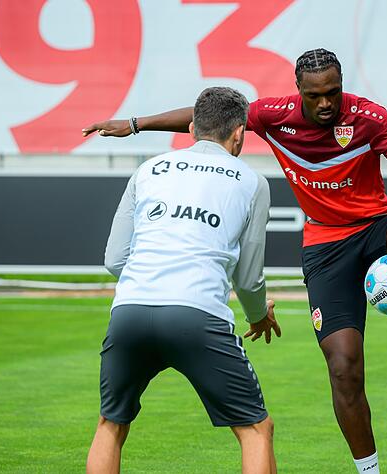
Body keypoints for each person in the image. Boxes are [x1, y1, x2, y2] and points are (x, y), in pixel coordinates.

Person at [82, 48, 387, 474]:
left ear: (342, 84)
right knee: (343, 367)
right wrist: (134, 125)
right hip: (325, 246)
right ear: (299, 92)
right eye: (315, 96)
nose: (326, 103)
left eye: (333, 92)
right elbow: (209, 117)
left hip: (374, 226)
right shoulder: (272, 115)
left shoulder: (370, 117)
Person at [86, 86, 280, 474]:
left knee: (111, 424)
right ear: (240, 133)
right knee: (256, 429)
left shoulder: (148, 169)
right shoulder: (252, 182)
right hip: (197, 316)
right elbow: (247, 277)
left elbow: (113, 260)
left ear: (192, 127)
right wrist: (258, 316)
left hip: (130, 310)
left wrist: (152, 279)